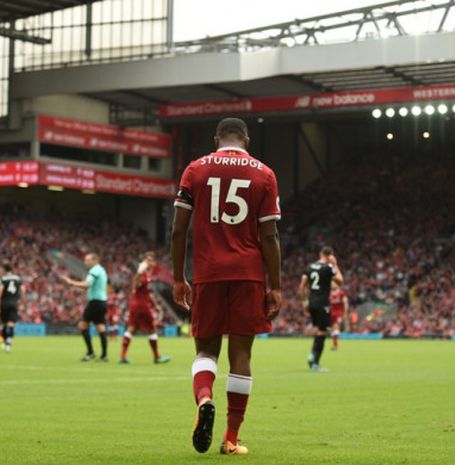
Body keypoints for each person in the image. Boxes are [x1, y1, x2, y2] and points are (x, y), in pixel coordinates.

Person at [171, 117, 282, 456]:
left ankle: (204, 399)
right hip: (248, 274)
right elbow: (269, 235)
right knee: (242, 355)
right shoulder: (264, 174)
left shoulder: (195, 170)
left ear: (216, 138)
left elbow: (178, 231)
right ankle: (231, 438)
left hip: (208, 271)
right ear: (246, 140)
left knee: (205, 351)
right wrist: (274, 285)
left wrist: (178, 277)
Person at [120, 252, 171, 364]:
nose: (149, 262)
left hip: (134, 305)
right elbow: (136, 285)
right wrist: (139, 272)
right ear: (143, 262)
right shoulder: (143, 274)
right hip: (142, 306)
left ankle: (123, 357)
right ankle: (157, 357)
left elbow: (145, 293)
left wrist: (155, 305)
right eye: (147, 260)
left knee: (131, 329)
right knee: (152, 329)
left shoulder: (147, 275)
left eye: (151, 260)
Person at [300, 246, 343, 372]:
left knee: (319, 330)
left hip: (312, 303)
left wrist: (305, 303)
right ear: (330, 255)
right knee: (323, 332)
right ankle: (314, 363)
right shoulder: (328, 268)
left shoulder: (310, 267)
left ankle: (312, 356)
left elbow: (302, 287)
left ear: (320, 254)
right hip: (323, 304)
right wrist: (335, 264)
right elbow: (340, 281)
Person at [62, 253, 109, 362]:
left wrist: (71, 282)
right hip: (102, 301)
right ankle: (104, 355)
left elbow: (87, 285)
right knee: (100, 327)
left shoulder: (94, 270)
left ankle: (90, 352)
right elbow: (88, 286)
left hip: (95, 302)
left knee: (82, 326)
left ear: (95, 260)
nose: (85, 262)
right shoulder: (101, 270)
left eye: (87, 260)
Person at [0, 264, 24, 353]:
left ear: (4, 270)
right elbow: (22, 289)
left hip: (4, 303)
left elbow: (0, 289)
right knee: (11, 324)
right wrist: (22, 301)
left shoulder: (2, 279)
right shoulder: (18, 278)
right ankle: (8, 343)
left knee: (4, 323)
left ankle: (4, 342)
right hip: (14, 303)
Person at [329, 282, 349, 351]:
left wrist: (345, 312)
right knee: (333, 328)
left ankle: (336, 345)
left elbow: (345, 303)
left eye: (333, 283)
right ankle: (335, 344)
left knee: (336, 326)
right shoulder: (329, 293)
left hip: (339, 313)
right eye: (331, 283)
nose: (332, 285)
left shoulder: (341, 293)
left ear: (337, 284)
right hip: (331, 313)